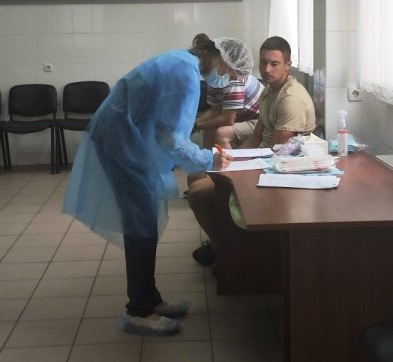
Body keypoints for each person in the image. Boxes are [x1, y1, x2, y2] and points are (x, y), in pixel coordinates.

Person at [63, 39, 254, 336]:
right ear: (218, 58)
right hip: (123, 145)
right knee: (140, 226)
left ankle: (151, 300)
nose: (226, 79)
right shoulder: (184, 73)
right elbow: (171, 138)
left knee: (144, 220)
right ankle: (138, 311)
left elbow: (165, 128)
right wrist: (209, 159)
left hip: (127, 140)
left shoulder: (181, 62)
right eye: (228, 72)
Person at [188, 36, 316, 265]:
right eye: (263, 62)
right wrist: (233, 160)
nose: (266, 69)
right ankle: (226, 244)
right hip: (263, 158)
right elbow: (257, 137)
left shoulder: (290, 100)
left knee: (198, 192)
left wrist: (236, 172)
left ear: (288, 65)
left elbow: (276, 155)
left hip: (277, 169)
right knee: (198, 177)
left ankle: (224, 251)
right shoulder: (270, 91)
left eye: (274, 64)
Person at [191, 34, 264, 150]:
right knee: (208, 128)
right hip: (242, 117)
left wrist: (196, 125)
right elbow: (214, 111)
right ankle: (208, 160)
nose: (233, 77)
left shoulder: (234, 79)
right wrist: (191, 123)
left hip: (260, 121)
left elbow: (228, 120)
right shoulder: (216, 79)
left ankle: (228, 161)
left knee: (221, 133)